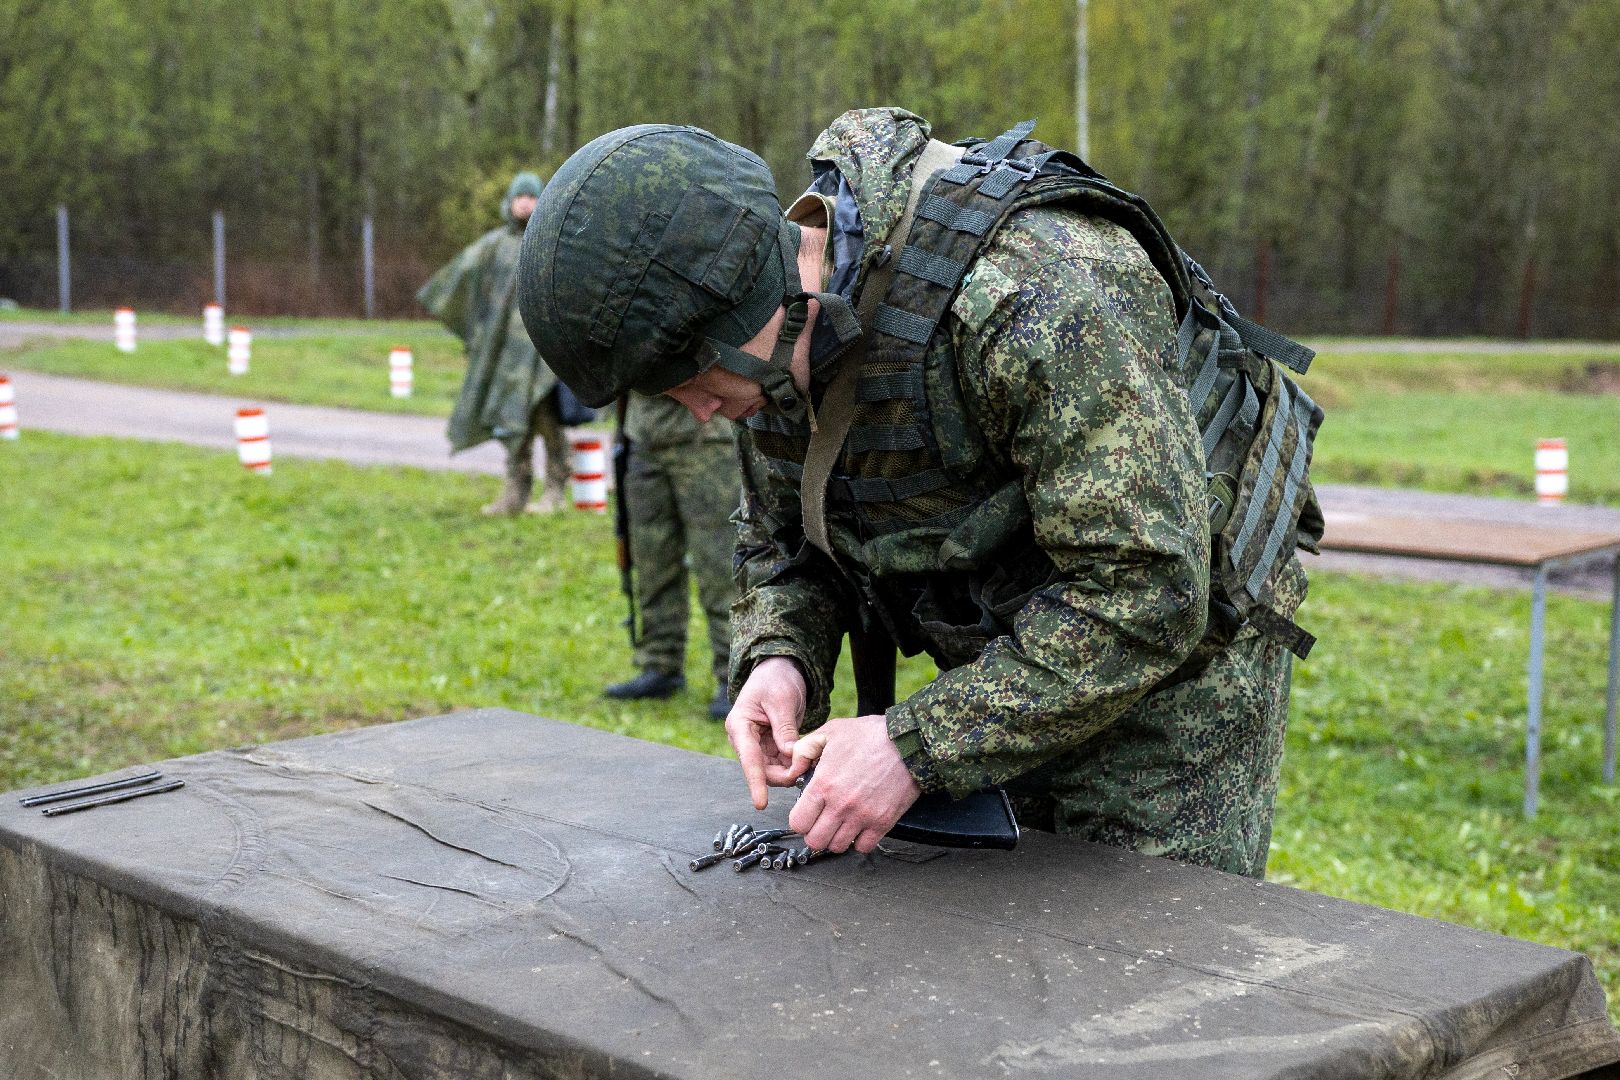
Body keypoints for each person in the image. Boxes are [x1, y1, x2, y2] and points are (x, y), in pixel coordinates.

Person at [516, 110, 1314, 878]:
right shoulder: (773, 350)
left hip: (1173, 678)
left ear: (747, 298)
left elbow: (1149, 592)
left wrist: (913, 744)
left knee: (1145, 963)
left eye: (695, 380)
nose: (698, 410)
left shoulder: (1035, 294)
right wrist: (780, 661)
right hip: (1006, 647)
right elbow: (784, 542)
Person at [419, 171, 571, 514]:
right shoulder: (495, 246)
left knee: (547, 420)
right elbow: (464, 284)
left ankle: (555, 490)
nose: (526, 202)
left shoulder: (553, 242)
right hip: (507, 356)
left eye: (532, 196)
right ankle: (515, 493)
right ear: (510, 202)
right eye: (520, 196)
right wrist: (476, 333)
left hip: (543, 354)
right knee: (512, 421)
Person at [603, 391, 738, 720]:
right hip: (643, 435)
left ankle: (735, 675)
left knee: (719, 565)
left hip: (704, 437)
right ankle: (660, 664)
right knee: (652, 560)